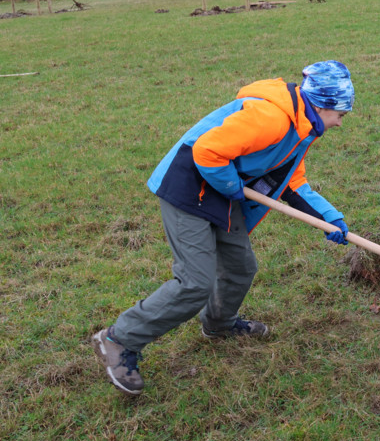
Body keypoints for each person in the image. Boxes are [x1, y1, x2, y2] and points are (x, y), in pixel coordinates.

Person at [92, 60, 356, 395]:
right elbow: (208, 150)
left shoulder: (302, 128)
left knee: (239, 267)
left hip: (221, 185)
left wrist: (328, 217)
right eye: (341, 115)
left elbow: (293, 181)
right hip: (190, 185)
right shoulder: (272, 117)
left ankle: (218, 325)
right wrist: (232, 186)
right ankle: (118, 339)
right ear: (322, 104)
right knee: (194, 283)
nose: (340, 123)